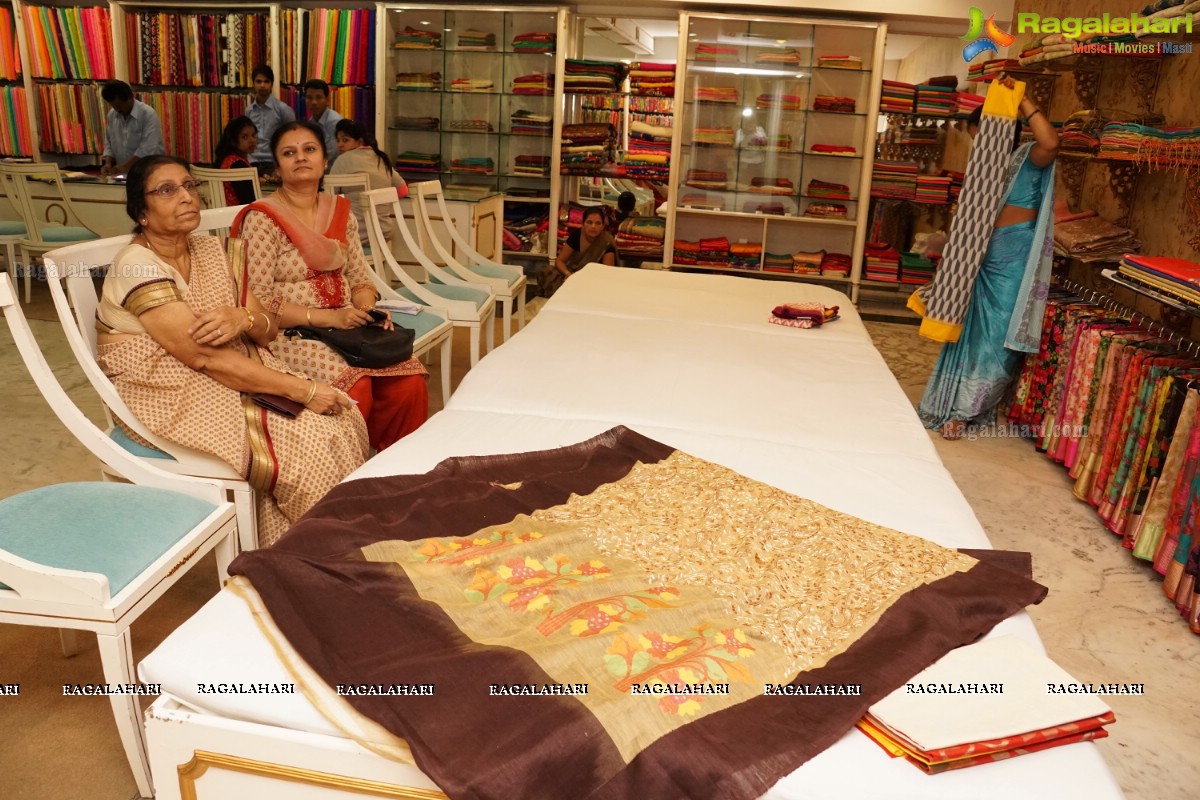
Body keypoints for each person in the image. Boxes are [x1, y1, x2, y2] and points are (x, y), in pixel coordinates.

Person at [95, 155, 367, 546]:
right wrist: (304, 391)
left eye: (189, 186)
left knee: (340, 421)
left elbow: (267, 331)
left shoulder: (208, 251)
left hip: (226, 372)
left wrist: (243, 318)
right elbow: (201, 356)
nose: (186, 197)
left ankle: (309, 548)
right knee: (305, 440)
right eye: (167, 190)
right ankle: (320, 553)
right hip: (166, 390)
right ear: (141, 211)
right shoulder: (137, 265)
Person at [236, 121, 429, 452]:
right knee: (357, 386)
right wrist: (327, 319)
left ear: (325, 161)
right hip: (289, 336)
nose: (300, 157)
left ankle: (395, 471)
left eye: (309, 149)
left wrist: (366, 309)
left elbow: (359, 278)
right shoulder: (263, 219)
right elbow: (258, 302)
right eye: (289, 152)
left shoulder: (340, 212)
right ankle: (345, 476)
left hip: (347, 328)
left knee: (409, 382)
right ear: (277, 168)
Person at [915, 75, 1059, 440]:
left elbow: (1051, 142)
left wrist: (1023, 101)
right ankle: (952, 403)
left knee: (997, 338)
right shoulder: (985, 171)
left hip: (1012, 258)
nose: (978, 142)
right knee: (968, 334)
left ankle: (967, 410)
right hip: (978, 259)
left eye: (981, 133)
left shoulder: (1028, 158)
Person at [329, 118, 408, 249]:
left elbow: (329, 199)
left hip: (355, 235)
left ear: (359, 141)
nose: (340, 145)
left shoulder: (342, 160)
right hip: (383, 234)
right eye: (338, 140)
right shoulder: (381, 158)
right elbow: (403, 191)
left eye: (345, 140)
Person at [99, 80, 165, 176]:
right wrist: (108, 163)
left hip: (149, 171)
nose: (118, 110)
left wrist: (124, 166)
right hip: (122, 173)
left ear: (130, 97)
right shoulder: (112, 115)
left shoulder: (147, 114)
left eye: (120, 106)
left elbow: (147, 148)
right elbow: (109, 143)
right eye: (114, 106)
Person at [246, 65, 295, 171]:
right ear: (253, 84)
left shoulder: (283, 109)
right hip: (252, 162)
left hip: (275, 162)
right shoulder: (249, 111)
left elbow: (293, 137)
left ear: (272, 84)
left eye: (266, 81)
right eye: (258, 81)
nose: (262, 85)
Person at [555, 206, 618, 277]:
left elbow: (607, 273)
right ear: (583, 224)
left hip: (595, 280)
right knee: (547, 270)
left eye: (598, 223)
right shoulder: (577, 234)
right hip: (573, 275)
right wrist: (569, 274)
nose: (593, 226)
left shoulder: (606, 242)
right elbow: (559, 261)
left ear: (603, 226)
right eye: (589, 222)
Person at [213, 116, 258, 206]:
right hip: (240, 214)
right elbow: (249, 201)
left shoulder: (227, 159)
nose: (252, 140)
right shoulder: (238, 165)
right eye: (245, 137)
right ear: (233, 140)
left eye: (253, 135)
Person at [304, 79, 343, 165]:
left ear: (327, 100)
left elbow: (332, 154)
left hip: (333, 172)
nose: (314, 102)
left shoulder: (335, 122)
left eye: (319, 97)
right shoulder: (311, 122)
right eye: (309, 98)